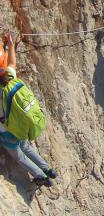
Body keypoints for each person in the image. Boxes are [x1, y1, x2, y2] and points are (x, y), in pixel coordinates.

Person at [0, 31, 57, 187]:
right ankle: (48, 168)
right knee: (25, 146)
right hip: (21, 123)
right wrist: (10, 45)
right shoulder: (10, 77)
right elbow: (12, 63)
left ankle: (40, 175)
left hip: (7, 130)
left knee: (19, 155)